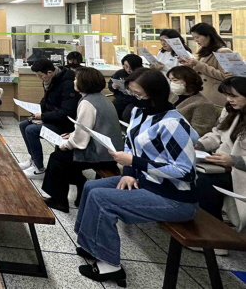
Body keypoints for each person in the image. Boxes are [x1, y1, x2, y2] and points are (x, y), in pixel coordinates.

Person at [74, 68, 199, 285]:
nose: (134, 99)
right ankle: (91, 244)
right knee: (91, 188)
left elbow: (184, 172)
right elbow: (131, 145)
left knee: (102, 199)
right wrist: (130, 172)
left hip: (174, 197)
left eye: (139, 95)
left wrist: (135, 164)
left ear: (155, 93)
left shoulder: (173, 123)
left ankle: (110, 265)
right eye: (131, 94)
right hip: (146, 181)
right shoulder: (140, 113)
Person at [42, 67, 123, 213]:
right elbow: (86, 128)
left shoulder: (87, 102)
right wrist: (71, 135)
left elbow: (81, 139)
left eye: (76, 79)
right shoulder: (101, 98)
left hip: (101, 154)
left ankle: (59, 200)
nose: (74, 81)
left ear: (84, 82)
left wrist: (66, 144)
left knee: (58, 157)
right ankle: (78, 182)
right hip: (109, 150)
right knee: (63, 155)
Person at [195, 77, 246, 233]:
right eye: (227, 95)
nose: (229, 99)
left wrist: (233, 160)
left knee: (204, 181)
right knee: (192, 173)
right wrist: (198, 145)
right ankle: (204, 228)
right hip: (223, 166)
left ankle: (214, 233)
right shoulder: (231, 111)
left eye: (234, 96)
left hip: (240, 171)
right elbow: (217, 134)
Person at [17, 59, 80, 179]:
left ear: (49, 72)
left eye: (40, 76)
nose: (40, 78)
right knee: (23, 125)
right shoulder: (50, 81)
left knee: (31, 130)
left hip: (65, 124)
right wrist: (38, 110)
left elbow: (67, 112)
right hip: (54, 118)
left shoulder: (67, 83)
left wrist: (43, 116)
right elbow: (46, 101)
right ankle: (33, 159)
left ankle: (39, 169)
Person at [180, 22, 233, 106]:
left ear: (208, 35)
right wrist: (190, 65)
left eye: (198, 37)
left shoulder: (223, 52)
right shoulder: (205, 51)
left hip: (216, 96)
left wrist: (199, 65)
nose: (196, 40)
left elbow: (227, 77)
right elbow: (200, 72)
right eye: (194, 38)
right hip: (203, 94)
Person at [167, 66, 221, 136]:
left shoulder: (203, 104)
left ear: (188, 81)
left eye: (175, 80)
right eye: (170, 80)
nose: (172, 83)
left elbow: (199, 132)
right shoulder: (172, 95)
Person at [108, 53, 143, 122]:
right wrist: (113, 86)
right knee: (110, 111)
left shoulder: (143, 74)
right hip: (121, 99)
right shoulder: (119, 73)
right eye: (126, 66)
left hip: (136, 101)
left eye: (131, 67)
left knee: (127, 114)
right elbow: (110, 85)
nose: (128, 69)